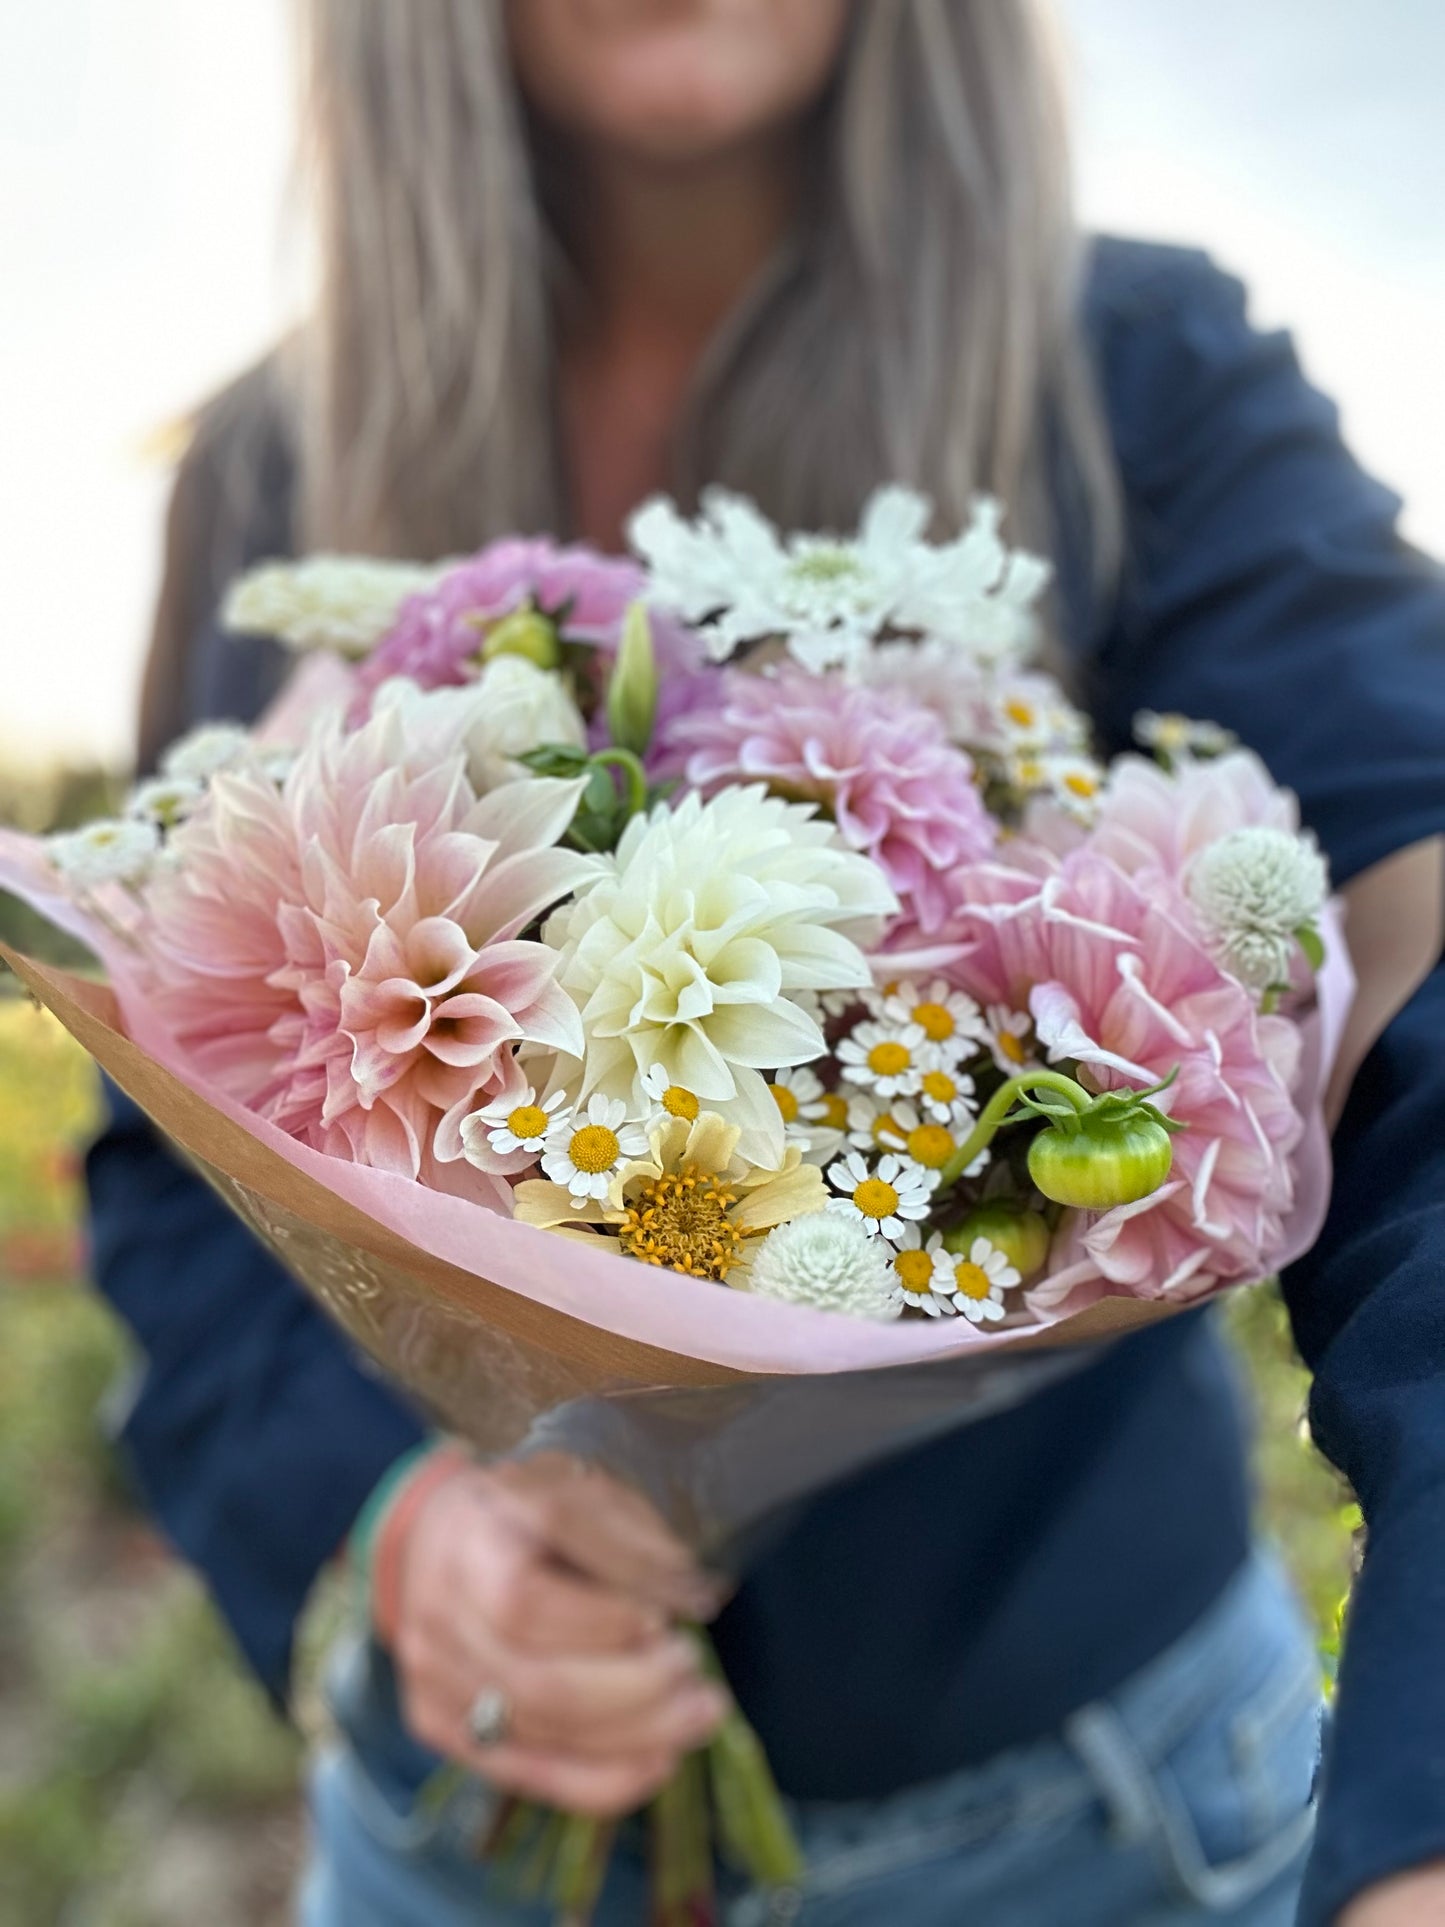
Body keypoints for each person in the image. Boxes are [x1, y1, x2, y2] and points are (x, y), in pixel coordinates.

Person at [88, 3, 1445, 1923]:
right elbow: (167, 1135)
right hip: (455, 1839)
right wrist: (377, 1527)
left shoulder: (1135, 372)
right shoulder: (271, 468)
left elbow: (1421, 1019)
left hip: (1097, 1825)